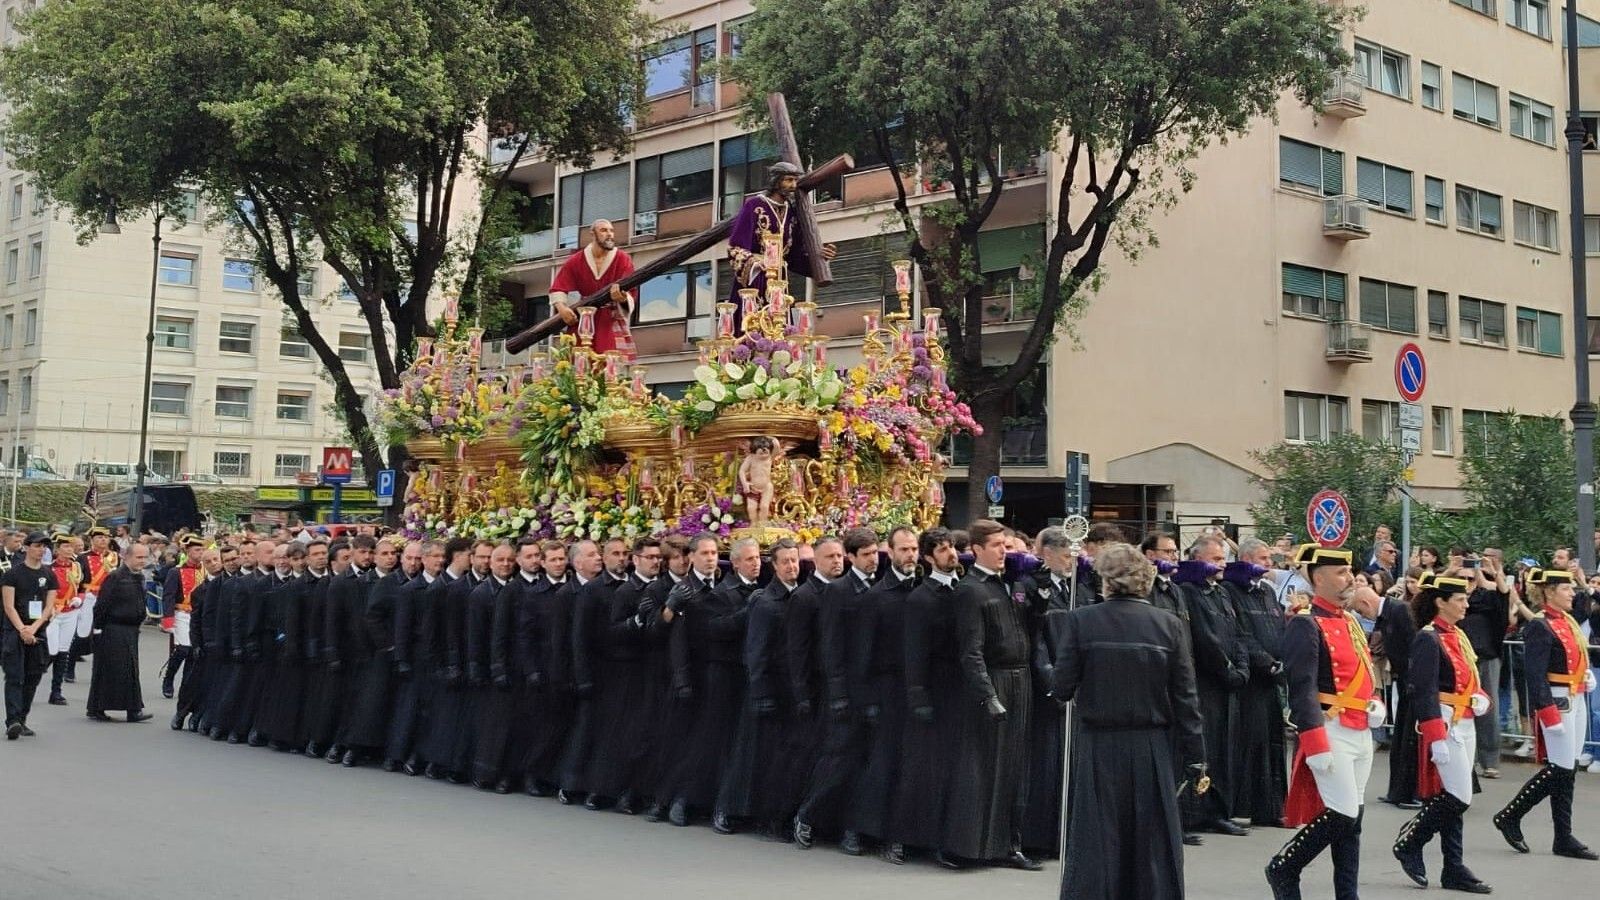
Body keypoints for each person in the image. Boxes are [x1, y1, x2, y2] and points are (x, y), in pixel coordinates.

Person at [1052, 542, 1205, 900]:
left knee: (1096, 839)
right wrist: (1196, 756)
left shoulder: (1081, 621)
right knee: (1152, 841)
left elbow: (1061, 687)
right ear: (1145, 581)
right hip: (1150, 744)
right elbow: (1186, 698)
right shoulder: (1168, 625)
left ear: (1105, 581)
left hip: (1099, 742)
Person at [1266, 546, 1400, 900]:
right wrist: (1314, 742)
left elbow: (1363, 672)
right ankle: (1284, 867)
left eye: (1349, 572)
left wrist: (1375, 704)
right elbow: (1302, 688)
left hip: (1358, 729)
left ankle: (1347, 893)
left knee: (1352, 820)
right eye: (1340, 573)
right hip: (1329, 729)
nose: (1349, 579)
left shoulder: (1350, 621)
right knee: (1341, 815)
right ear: (1318, 577)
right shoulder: (1305, 624)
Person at [943, 519, 1041, 871]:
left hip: (1020, 679)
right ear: (977, 549)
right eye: (997, 545)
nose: (1004, 551)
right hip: (994, 682)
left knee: (1015, 767)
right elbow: (971, 650)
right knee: (984, 769)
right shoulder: (970, 590)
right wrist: (987, 694)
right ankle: (970, 846)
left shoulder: (1008, 585)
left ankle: (1008, 843)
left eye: (1007, 545)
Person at [1391, 573, 1493, 894]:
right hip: (1445, 722)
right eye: (1460, 599)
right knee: (1458, 795)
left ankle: (1453, 867)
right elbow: (1423, 690)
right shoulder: (1428, 637)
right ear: (1441, 602)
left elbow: (1472, 677)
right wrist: (1435, 736)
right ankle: (1410, 841)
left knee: (1455, 795)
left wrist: (1481, 699)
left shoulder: (1457, 635)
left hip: (1464, 719)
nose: (1466, 603)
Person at [1493, 568, 1599, 861]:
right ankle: (1516, 817)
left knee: (1567, 769)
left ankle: (1558, 834)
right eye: (1565, 589)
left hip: (1575, 695)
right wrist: (1547, 712)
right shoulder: (1540, 625)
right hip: (1558, 701)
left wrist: (1584, 675)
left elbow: (1575, 655)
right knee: (1561, 769)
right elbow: (1535, 675)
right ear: (1550, 591)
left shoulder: (1565, 620)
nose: (1571, 594)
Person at [663, 535, 757, 828]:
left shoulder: (726, 585)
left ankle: (717, 801)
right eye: (704, 553)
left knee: (728, 742)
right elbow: (680, 638)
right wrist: (682, 677)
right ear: (691, 556)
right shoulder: (686, 589)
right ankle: (682, 798)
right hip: (706, 672)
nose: (710, 558)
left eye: (715, 553)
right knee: (704, 742)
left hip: (733, 670)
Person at [792, 528, 878, 848]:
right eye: (865, 554)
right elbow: (831, 646)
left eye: (874, 553)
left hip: (871, 687)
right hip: (845, 690)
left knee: (865, 761)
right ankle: (807, 815)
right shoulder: (838, 591)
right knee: (838, 758)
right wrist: (839, 693)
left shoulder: (875, 586)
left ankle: (850, 828)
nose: (871, 559)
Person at [717, 538, 802, 837]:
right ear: (775, 566)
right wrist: (762, 692)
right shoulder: (766, 602)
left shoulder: (798, 596)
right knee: (750, 755)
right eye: (786, 562)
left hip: (791, 689)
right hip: (767, 689)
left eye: (795, 561)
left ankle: (771, 814)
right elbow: (756, 652)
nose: (792, 566)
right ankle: (728, 809)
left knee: (780, 756)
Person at [893, 527, 967, 868]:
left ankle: (946, 838)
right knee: (924, 769)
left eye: (951, 547)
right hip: (931, 691)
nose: (950, 553)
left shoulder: (962, 591)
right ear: (927, 557)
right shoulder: (920, 598)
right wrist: (918, 696)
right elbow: (913, 652)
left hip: (957, 691)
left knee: (951, 769)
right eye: (941, 549)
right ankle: (911, 839)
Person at [1175, 534, 1249, 837]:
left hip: (1229, 684)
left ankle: (1218, 810)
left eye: (1223, 559)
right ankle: (1193, 812)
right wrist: (1228, 670)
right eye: (1215, 559)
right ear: (1197, 560)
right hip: (1208, 682)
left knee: (1224, 750)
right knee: (1204, 749)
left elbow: (1238, 632)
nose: (1222, 565)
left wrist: (1242, 666)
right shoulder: (1190, 591)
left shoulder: (1221, 593)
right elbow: (1207, 640)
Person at [1224, 538, 1288, 828]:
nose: (1269, 564)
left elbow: (1278, 627)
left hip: (1273, 680)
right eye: (1263, 558)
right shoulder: (1231, 590)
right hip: (1251, 681)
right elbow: (1240, 633)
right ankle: (1245, 805)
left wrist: (1285, 658)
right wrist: (1265, 661)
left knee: (1274, 744)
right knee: (1251, 744)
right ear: (1247, 558)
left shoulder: (1267, 592)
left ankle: (1272, 807)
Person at [726, 161, 836, 318]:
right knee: (753, 327)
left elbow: (795, 257)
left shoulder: (792, 213)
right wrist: (759, 263)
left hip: (780, 284)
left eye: (795, 180)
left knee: (779, 328)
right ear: (776, 181)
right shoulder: (754, 206)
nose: (793, 185)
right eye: (788, 180)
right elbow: (735, 247)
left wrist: (820, 257)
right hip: (755, 281)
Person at [550, 219, 638, 358]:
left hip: (609, 320)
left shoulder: (623, 259)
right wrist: (562, 309)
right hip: (582, 319)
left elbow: (631, 292)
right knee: (578, 362)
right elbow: (558, 288)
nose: (609, 234)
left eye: (611, 230)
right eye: (603, 230)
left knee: (609, 363)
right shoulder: (576, 260)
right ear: (592, 234)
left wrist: (622, 298)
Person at [85, 542, 152, 723]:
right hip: (113, 629)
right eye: (139, 557)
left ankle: (132, 708)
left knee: (129, 670)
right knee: (110, 669)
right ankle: (101, 707)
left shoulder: (139, 577)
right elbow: (102, 605)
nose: (142, 561)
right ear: (127, 557)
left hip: (131, 630)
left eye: (145, 557)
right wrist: (98, 629)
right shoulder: (115, 577)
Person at [2, 532, 54, 738]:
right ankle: (12, 720)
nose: (41, 550)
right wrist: (22, 629)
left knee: (33, 676)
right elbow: (8, 605)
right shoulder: (13, 574)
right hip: (15, 631)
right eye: (37, 546)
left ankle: (23, 718)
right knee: (15, 676)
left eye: (44, 547)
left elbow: (49, 605)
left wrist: (34, 628)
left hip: (37, 631)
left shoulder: (49, 574)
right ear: (27, 547)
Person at [159, 535, 208, 701]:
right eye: (196, 550)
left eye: (202, 550)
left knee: (193, 653)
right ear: (187, 551)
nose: (200, 553)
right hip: (182, 614)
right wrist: (168, 619)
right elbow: (168, 596)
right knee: (183, 649)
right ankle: (169, 677)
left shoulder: (206, 572)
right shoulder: (176, 571)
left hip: (199, 616)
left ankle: (186, 685)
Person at [44, 532, 83, 705]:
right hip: (53, 612)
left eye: (71, 546)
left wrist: (79, 599)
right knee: (51, 651)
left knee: (63, 650)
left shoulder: (76, 567)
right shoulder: (48, 568)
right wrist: (49, 608)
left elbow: (82, 587)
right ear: (57, 549)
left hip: (70, 611)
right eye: (65, 546)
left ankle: (56, 691)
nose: (69, 550)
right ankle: (32, 678)